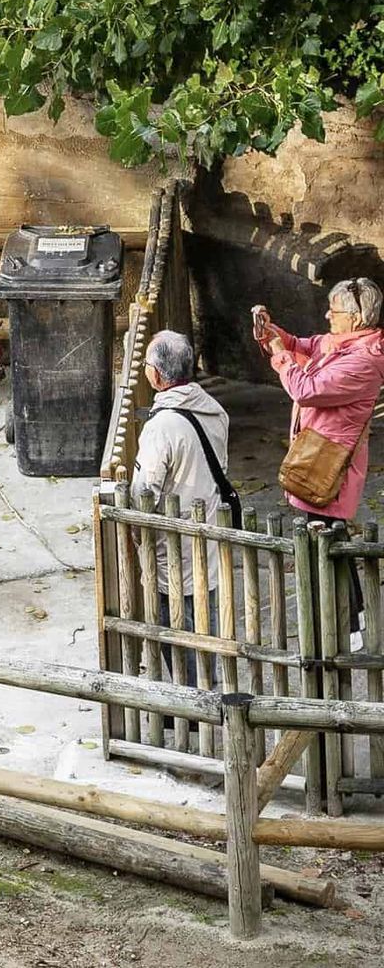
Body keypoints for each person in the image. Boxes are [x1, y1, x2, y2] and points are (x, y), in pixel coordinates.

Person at [254, 278, 384, 646]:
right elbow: (303, 346)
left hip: (331, 462)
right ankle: (352, 619)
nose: (327, 314)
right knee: (329, 536)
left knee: (328, 537)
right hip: (317, 452)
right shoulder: (340, 342)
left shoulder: (362, 361)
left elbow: (306, 390)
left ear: (357, 318)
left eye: (335, 311)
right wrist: (272, 332)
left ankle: (346, 625)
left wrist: (280, 355)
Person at [131, 329, 229, 685]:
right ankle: (208, 683)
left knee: (175, 619)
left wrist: (138, 532)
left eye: (146, 365)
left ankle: (189, 697)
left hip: (172, 539)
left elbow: (145, 491)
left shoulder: (163, 426)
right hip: (209, 528)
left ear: (157, 375)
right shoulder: (214, 410)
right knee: (207, 610)